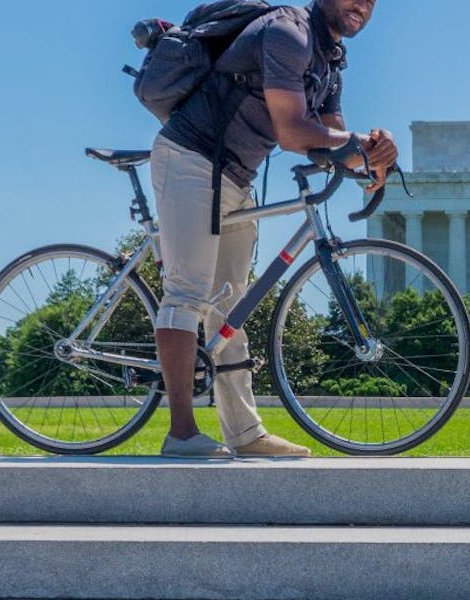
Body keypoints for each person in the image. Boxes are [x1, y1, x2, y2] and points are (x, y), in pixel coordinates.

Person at [152, 0, 396, 457]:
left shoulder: (330, 61)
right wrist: (354, 145)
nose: (361, 4)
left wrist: (376, 158)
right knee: (187, 293)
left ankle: (245, 434)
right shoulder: (289, 33)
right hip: (190, 158)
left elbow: (330, 144)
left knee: (229, 303)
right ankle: (181, 434)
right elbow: (292, 131)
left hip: (233, 175)